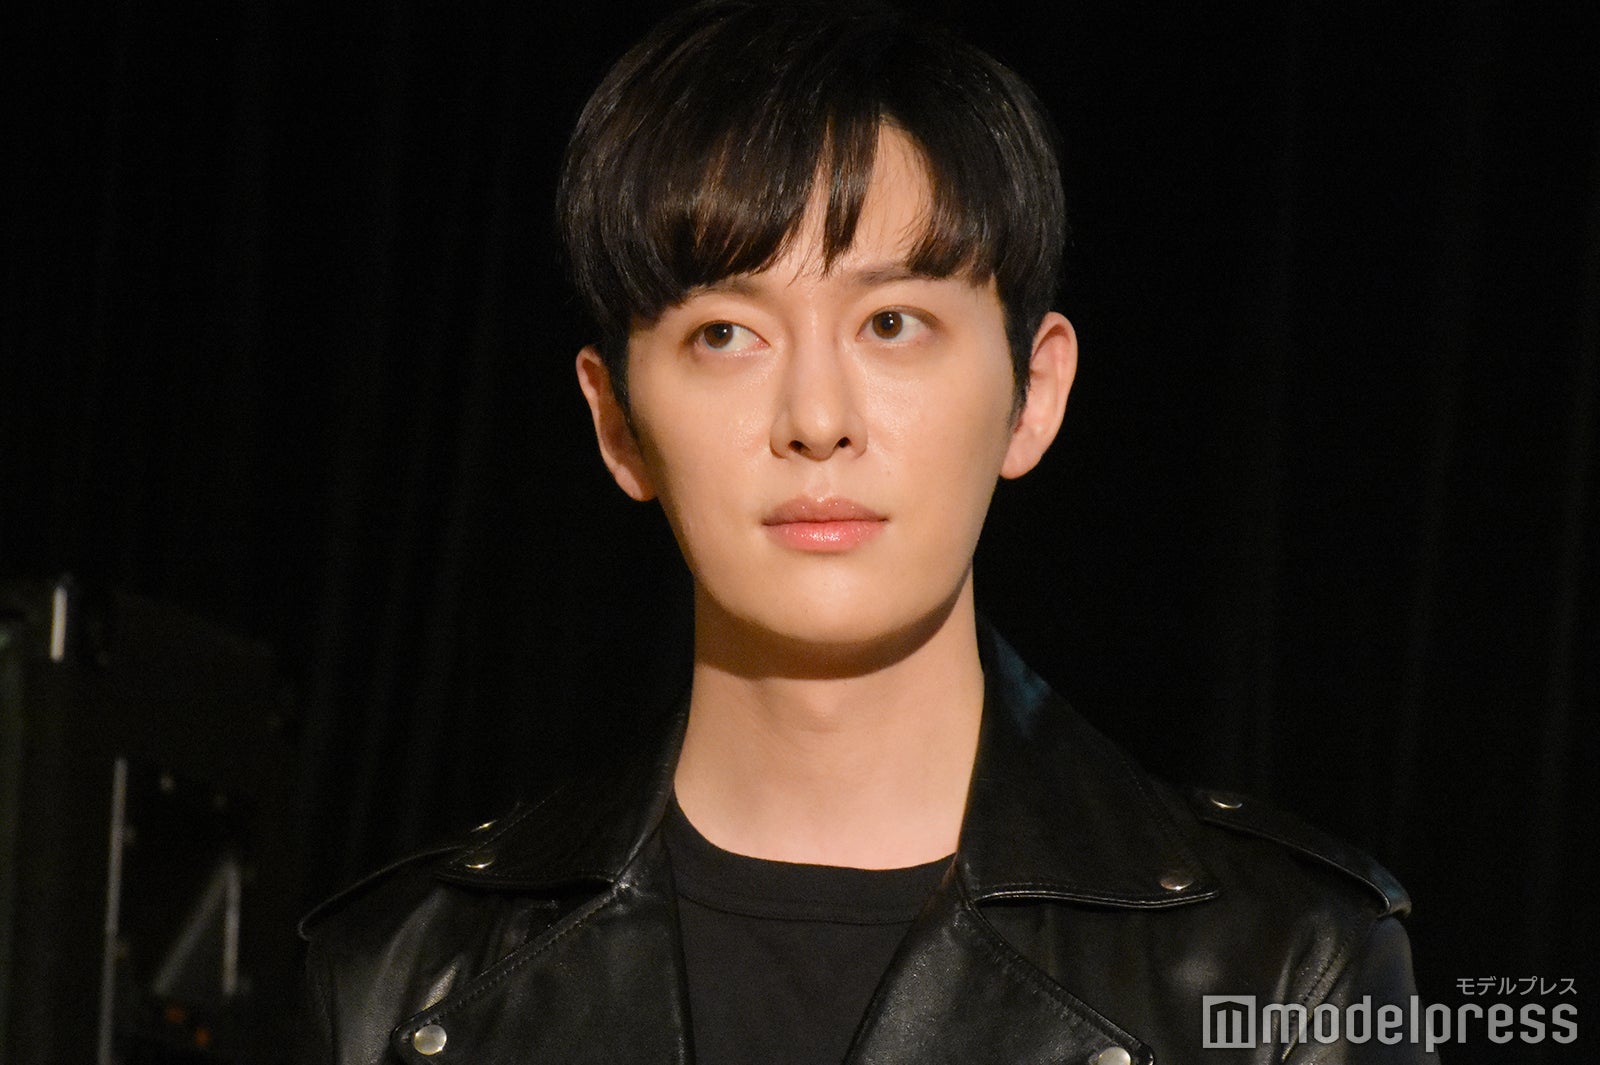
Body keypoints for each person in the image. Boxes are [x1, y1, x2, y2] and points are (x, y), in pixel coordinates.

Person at [300, 2, 1433, 1062]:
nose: (816, 419)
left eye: (892, 323)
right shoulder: (397, 977)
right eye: (725, 334)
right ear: (617, 422)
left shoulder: (1289, 966)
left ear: (1032, 394)